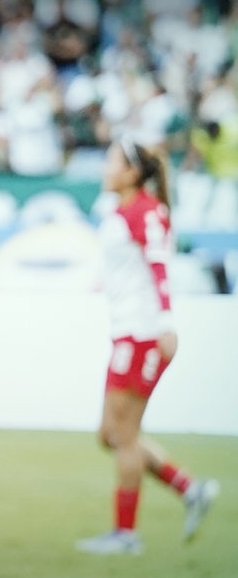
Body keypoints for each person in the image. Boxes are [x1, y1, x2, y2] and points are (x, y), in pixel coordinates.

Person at [75, 139, 220, 556]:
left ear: (133, 173)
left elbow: (159, 266)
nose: (105, 169)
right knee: (111, 434)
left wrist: (166, 322)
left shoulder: (146, 212)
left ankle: (126, 535)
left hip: (143, 335)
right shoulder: (122, 212)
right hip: (128, 331)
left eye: (112, 162)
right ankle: (189, 489)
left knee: (123, 435)